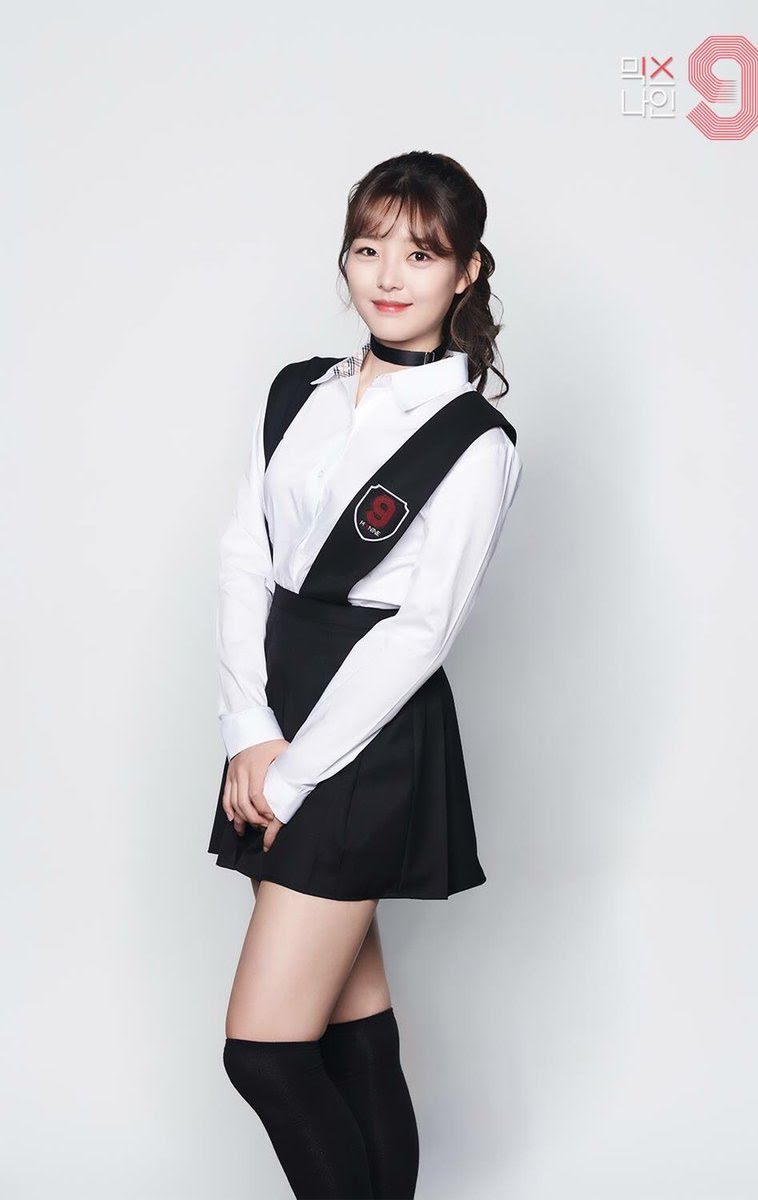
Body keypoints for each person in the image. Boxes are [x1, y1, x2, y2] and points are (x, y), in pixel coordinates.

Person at [207, 149, 523, 1199]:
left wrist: (292, 774)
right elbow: (245, 555)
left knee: (264, 1054)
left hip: (365, 737)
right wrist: (249, 728)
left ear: (465, 271)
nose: (388, 275)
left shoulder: (473, 440)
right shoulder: (297, 390)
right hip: (277, 713)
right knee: (353, 1036)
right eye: (368, 247)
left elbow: (419, 635)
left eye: (420, 254)